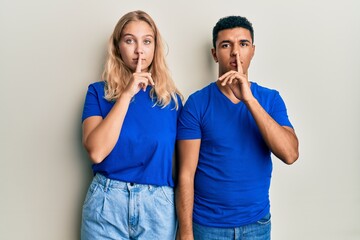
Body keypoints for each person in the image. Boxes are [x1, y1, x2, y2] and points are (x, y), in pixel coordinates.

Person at [176, 15, 299, 240]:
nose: (235, 52)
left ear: (252, 50)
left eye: (243, 44)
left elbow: (290, 154)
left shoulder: (270, 99)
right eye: (226, 45)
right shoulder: (197, 103)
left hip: (257, 225)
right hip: (207, 226)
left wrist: (249, 100)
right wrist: (185, 232)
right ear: (214, 54)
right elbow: (185, 174)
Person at [80, 10, 183, 240]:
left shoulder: (172, 101)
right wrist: (126, 94)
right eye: (130, 41)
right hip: (107, 204)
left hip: (158, 206)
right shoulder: (97, 92)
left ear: (155, 47)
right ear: (118, 47)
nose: (139, 50)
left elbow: (182, 168)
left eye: (147, 41)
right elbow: (96, 152)